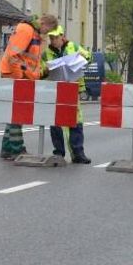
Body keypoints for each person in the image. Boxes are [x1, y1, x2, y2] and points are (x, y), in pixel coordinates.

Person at [0, 14, 56, 160]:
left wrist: (39, 73)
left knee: (15, 113)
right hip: (16, 76)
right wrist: (21, 77)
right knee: (18, 113)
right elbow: (13, 56)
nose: (47, 34)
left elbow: (28, 60)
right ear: (44, 24)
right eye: (48, 31)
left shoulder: (33, 32)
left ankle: (7, 148)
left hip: (20, 76)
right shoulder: (26, 30)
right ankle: (17, 149)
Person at [42, 26, 93, 163]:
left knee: (76, 121)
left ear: (62, 36)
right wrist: (45, 69)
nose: (53, 41)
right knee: (56, 122)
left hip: (72, 88)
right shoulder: (46, 53)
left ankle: (78, 154)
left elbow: (89, 57)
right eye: (51, 38)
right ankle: (59, 153)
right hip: (56, 90)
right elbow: (41, 71)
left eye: (55, 38)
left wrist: (85, 57)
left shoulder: (73, 46)